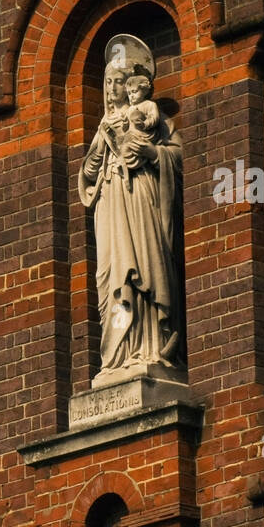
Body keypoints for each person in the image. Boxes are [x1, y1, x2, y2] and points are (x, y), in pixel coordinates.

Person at [78, 35, 184, 382]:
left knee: (139, 271)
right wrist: (101, 145)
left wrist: (151, 154)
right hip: (110, 201)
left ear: (131, 86)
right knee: (110, 277)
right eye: (106, 82)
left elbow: (178, 157)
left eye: (117, 82)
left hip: (140, 199)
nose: (110, 89)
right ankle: (117, 355)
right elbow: (89, 174)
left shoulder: (151, 119)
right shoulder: (103, 125)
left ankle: (148, 348)